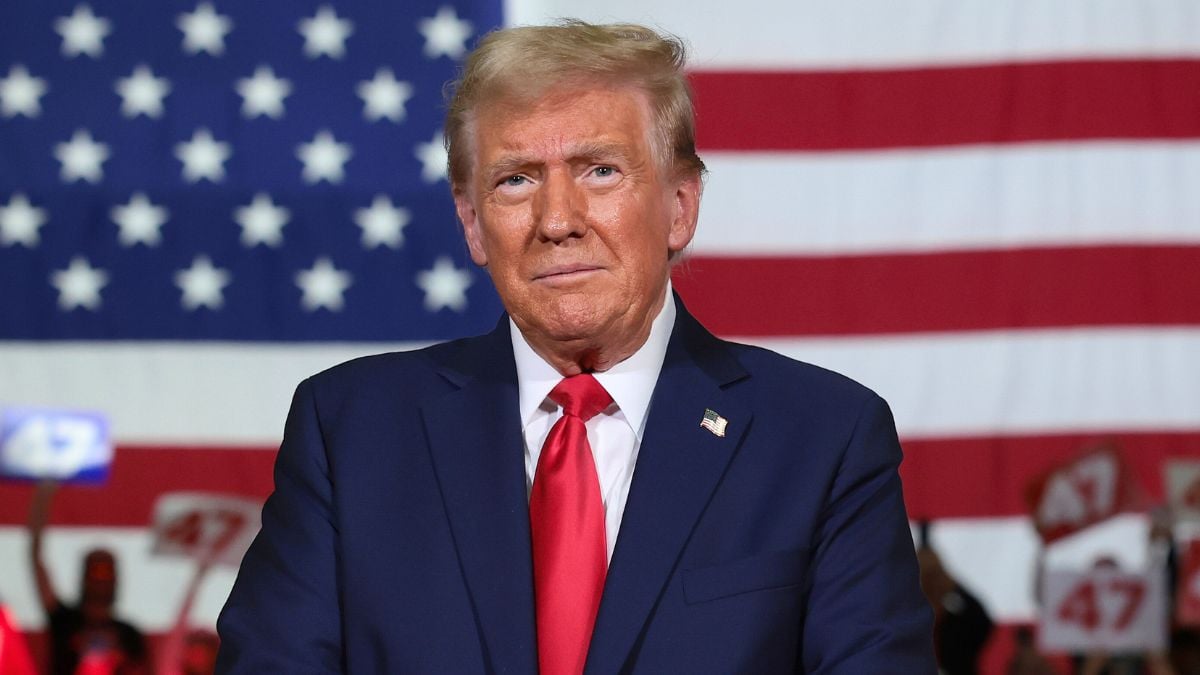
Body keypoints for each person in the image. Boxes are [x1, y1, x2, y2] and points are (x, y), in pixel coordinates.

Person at [216, 20, 933, 673]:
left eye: (600, 170)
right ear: (472, 225)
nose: (557, 220)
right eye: (516, 180)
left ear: (680, 206)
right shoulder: (350, 432)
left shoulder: (824, 439)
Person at [27, 481, 147, 675]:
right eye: (95, 572)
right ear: (83, 578)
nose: (101, 580)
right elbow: (36, 558)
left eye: (107, 573)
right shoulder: (64, 621)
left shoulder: (129, 635)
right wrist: (44, 494)